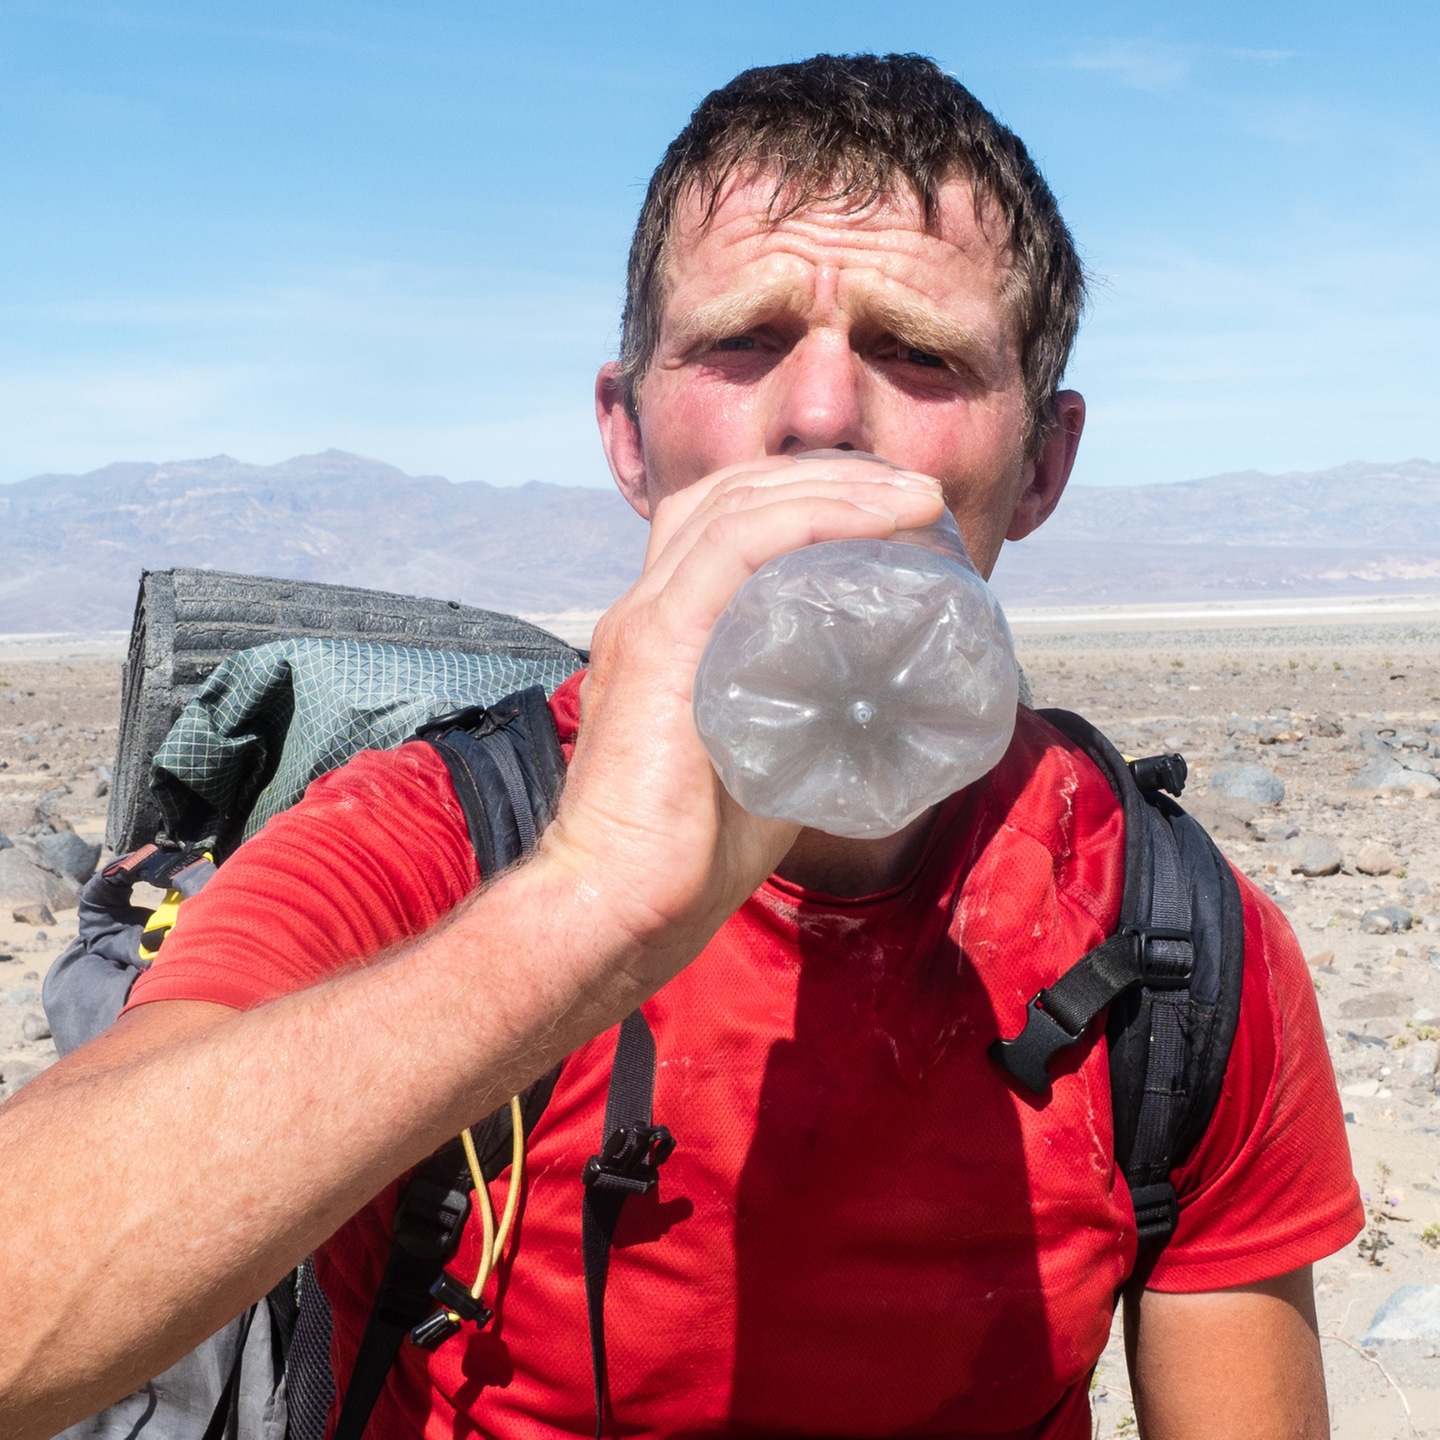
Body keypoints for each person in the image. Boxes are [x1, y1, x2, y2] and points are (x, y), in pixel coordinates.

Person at [0, 53, 1360, 1440]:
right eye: (740, 341)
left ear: (1045, 463)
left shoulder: (1176, 942)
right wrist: (588, 912)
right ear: (630, 436)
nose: (823, 413)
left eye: (921, 354)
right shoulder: (422, 846)